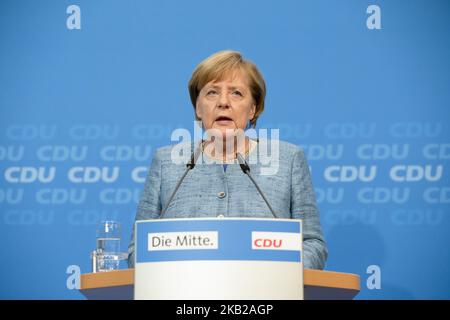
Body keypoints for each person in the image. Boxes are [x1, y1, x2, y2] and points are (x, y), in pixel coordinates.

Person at [127, 50, 327, 269]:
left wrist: (283, 274)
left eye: (236, 93)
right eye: (212, 93)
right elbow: (138, 249)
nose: (223, 102)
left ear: (252, 109)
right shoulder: (167, 162)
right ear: (198, 107)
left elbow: (312, 244)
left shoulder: (287, 159)